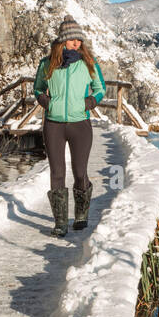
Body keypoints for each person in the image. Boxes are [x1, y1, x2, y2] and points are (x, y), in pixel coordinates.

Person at [33, 15, 106, 236]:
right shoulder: (47, 64)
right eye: (73, 39)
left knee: (80, 171)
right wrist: (47, 102)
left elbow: (100, 88)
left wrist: (89, 102)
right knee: (57, 172)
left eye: (79, 40)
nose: (77, 43)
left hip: (80, 125)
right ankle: (61, 222)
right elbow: (37, 89)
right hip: (54, 124)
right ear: (62, 41)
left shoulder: (88, 64)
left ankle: (81, 215)